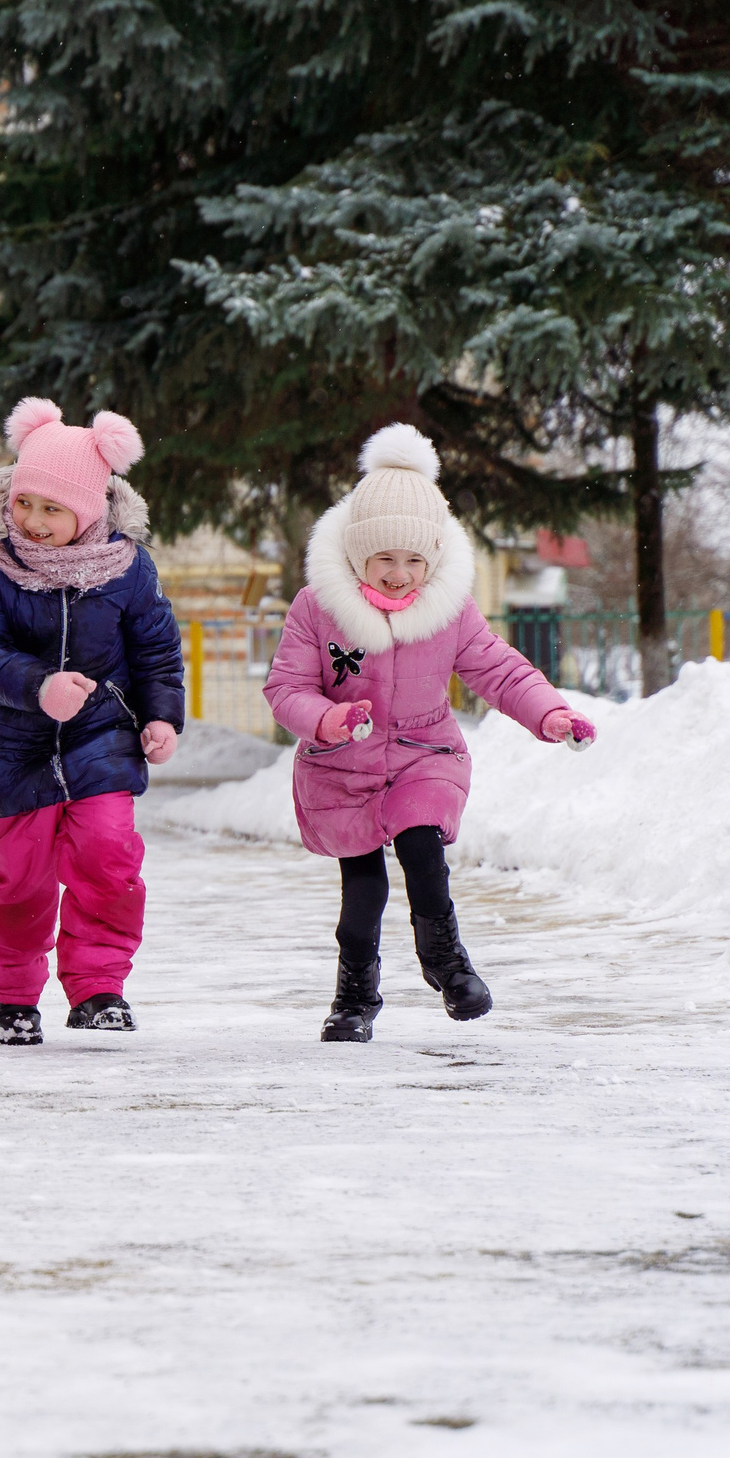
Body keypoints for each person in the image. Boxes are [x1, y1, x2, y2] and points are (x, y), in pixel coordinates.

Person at [263, 423, 594, 1042]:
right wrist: (327, 720)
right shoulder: (318, 607)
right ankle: (354, 996)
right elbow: (286, 688)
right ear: (358, 553)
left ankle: (446, 961)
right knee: (363, 891)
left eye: (414, 560)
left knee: (422, 845)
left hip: (424, 752)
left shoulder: (449, 609)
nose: (399, 574)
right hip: (342, 764)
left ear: (433, 559)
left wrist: (548, 712)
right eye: (385, 559)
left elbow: (498, 669)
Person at [0, 398, 186, 1047]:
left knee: (109, 856)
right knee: (20, 879)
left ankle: (99, 988)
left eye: (52, 509)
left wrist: (162, 716)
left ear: (87, 510)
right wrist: (37, 686)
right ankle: (14, 996)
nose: (33, 520)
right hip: (13, 744)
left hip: (102, 735)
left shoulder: (128, 568)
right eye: (24, 503)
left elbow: (157, 650)